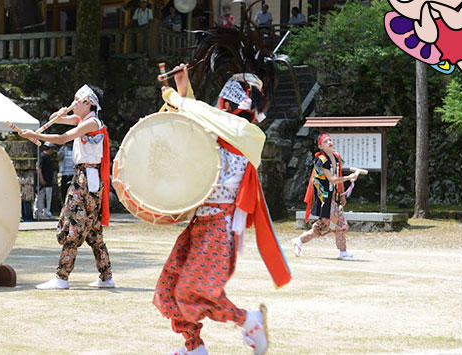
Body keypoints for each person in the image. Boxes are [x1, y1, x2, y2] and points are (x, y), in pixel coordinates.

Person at [154, 66, 291, 355]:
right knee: (171, 286)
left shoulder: (247, 135)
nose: (219, 107)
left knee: (191, 292)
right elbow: (188, 122)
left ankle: (248, 320)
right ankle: (194, 347)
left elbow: (201, 114)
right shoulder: (216, 132)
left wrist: (178, 96)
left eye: (222, 103)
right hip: (200, 224)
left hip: (219, 225)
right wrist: (181, 88)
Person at [19, 84, 114, 290]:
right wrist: (62, 112)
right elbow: (57, 119)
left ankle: (61, 276)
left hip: (87, 179)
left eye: (77, 101)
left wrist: (37, 136)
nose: (73, 104)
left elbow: (63, 138)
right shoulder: (83, 119)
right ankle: (106, 277)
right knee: (94, 232)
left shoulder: (92, 122)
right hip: (86, 177)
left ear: (88, 103)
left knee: (73, 223)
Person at [292, 133, 360, 260]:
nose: (329, 142)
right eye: (325, 141)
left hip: (333, 196)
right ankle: (343, 252)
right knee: (340, 225)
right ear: (320, 146)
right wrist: (349, 177)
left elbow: (338, 175)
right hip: (324, 198)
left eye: (330, 140)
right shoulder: (321, 160)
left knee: (321, 228)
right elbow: (333, 179)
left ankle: (299, 240)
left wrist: (342, 194)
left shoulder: (337, 156)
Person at [35, 142, 57, 220]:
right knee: (40, 197)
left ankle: (47, 212)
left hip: (49, 181)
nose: (52, 150)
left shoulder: (49, 157)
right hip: (43, 181)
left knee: (48, 197)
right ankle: (39, 213)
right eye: (51, 148)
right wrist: (41, 179)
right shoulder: (42, 156)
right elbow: (38, 167)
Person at [57, 141, 75, 215]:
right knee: (64, 191)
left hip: (74, 173)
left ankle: (73, 209)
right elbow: (59, 156)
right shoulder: (63, 149)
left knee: (73, 193)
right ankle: (65, 208)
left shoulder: (76, 148)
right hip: (65, 173)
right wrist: (63, 146)